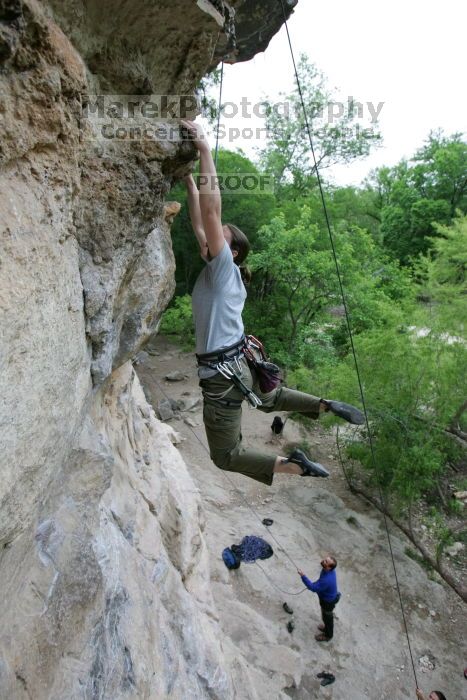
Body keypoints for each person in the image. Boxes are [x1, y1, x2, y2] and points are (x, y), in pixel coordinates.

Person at [181, 118, 365, 486]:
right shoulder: (221, 270)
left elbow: (211, 211)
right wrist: (187, 178)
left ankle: (294, 464)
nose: (212, 235)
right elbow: (200, 220)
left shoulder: (221, 269)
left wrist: (204, 150)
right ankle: (323, 405)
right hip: (240, 363)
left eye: (221, 237)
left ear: (231, 251)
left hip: (223, 373)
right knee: (269, 399)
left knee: (226, 456)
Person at [297, 555, 340, 642]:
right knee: (324, 615)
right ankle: (326, 627)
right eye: (325, 559)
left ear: (329, 567)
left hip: (328, 602)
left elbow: (313, 588)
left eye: (326, 562)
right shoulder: (327, 570)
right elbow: (318, 584)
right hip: (328, 597)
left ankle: (328, 635)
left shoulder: (327, 580)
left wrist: (303, 576)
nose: (323, 561)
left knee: (327, 618)